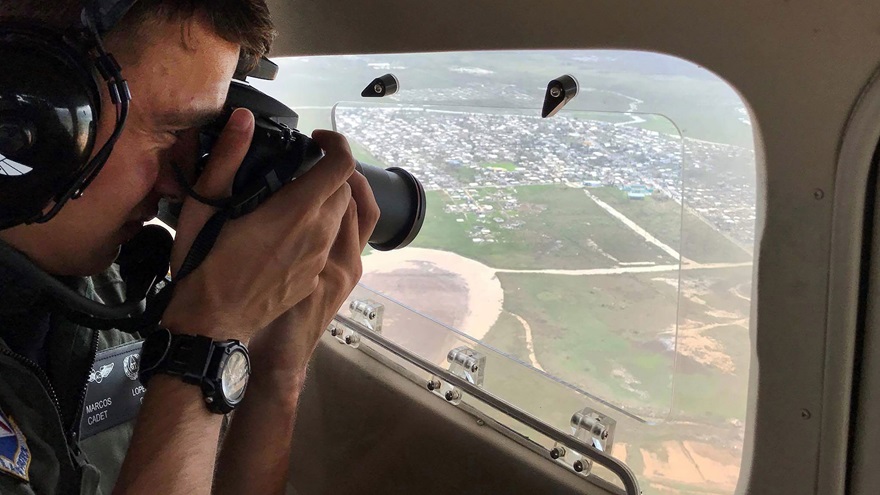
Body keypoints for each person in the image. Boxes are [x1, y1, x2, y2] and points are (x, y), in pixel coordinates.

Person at [0, 1, 379, 494]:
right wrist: (204, 341)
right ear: (20, 125)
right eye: (168, 132)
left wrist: (274, 372)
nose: (177, 187)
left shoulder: (113, 295)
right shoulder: (175, 316)